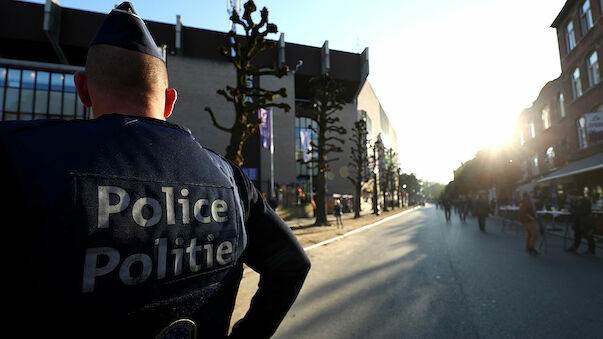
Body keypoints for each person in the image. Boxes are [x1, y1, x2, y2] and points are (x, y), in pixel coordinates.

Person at [0, 3, 310, 338]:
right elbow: (292, 264)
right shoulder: (228, 177)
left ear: (83, 89)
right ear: (169, 100)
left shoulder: (22, 153)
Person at [566, 189, 596, 255]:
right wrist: (571, 204)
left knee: (587, 235)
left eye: (569, 196)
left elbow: (580, 211)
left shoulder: (585, 201)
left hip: (585, 221)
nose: (568, 197)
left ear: (573, 195)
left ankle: (591, 249)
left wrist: (572, 210)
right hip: (578, 220)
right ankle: (575, 247)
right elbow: (574, 210)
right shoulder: (575, 201)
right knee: (577, 234)